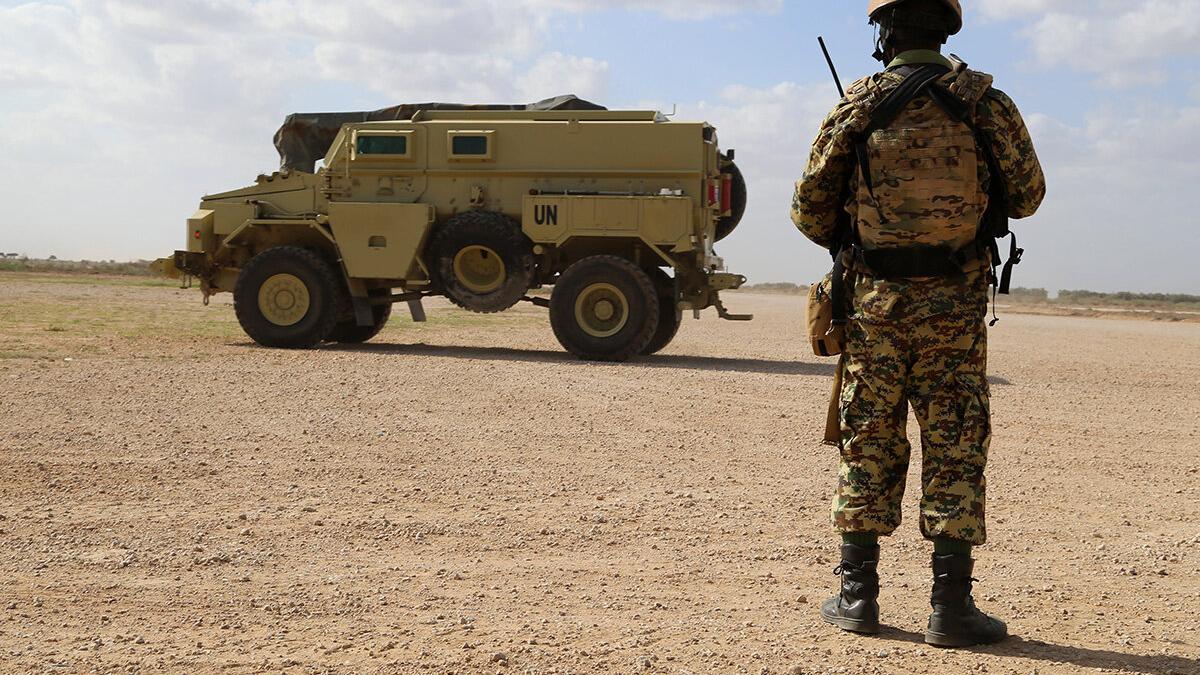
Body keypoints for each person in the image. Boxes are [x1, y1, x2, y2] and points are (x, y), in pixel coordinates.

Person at [790, 0, 1046, 647]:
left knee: (868, 438)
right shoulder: (986, 104)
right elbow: (1029, 195)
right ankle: (951, 608)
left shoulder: (859, 104)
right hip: (955, 311)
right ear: (948, 27)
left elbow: (808, 210)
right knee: (957, 440)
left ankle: (857, 597)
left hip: (874, 307)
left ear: (885, 31)